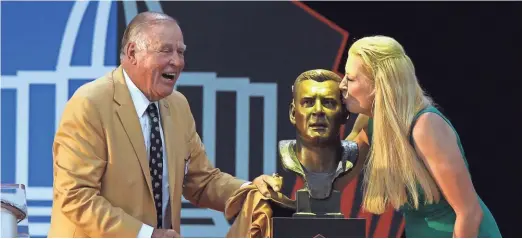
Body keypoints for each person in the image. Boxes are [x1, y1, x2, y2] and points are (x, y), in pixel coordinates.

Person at [48, 11, 279, 238]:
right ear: (133, 53)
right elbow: (75, 195)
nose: (177, 62)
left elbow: (201, 181)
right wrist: (147, 235)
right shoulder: (89, 104)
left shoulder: (177, 105)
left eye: (180, 52)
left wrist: (250, 192)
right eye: (165, 51)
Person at [339, 35, 501, 237]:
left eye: (351, 78)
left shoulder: (425, 126)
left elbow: (469, 213)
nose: (341, 85)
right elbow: (336, 177)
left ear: (379, 84)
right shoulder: (370, 126)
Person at [224, 69, 369, 238]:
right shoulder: (286, 156)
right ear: (293, 113)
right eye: (308, 102)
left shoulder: (352, 154)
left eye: (328, 102)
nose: (318, 111)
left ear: (344, 113)